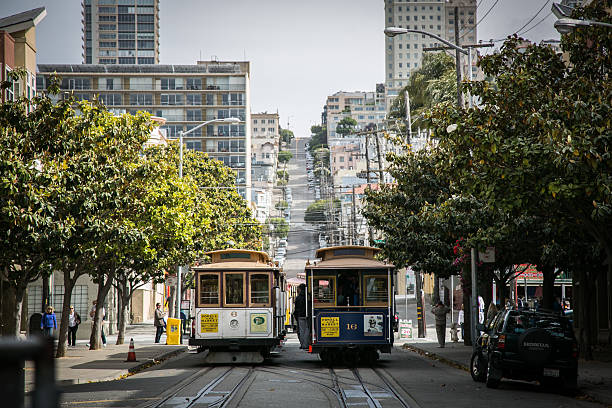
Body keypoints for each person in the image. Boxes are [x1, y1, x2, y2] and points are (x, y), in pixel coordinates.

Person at [293, 284, 308, 349]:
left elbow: (296, 309)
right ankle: (306, 344)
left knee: (301, 331)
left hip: (300, 316)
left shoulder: (298, 298)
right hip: (307, 315)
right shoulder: (308, 296)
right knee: (307, 330)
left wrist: (296, 316)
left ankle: (303, 345)